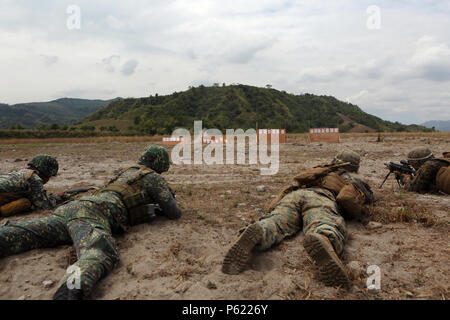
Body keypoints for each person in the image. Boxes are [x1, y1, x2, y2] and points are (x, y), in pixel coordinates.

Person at [0, 145, 181, 300]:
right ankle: (69, 291)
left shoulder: (124, 173)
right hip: (93, 213)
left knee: (27, 233)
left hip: (71, 208)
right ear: (160, 164)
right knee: (100, 251)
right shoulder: (153, 177)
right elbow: (174, 212)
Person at [222, 151, 374, 288]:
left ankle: (260, 231)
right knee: (323, 220)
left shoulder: (321, 170)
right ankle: (325, 237)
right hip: (321, 197)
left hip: (295, 195)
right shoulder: (351, 178)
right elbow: (360, 198)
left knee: (277, 221)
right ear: (355, 166)